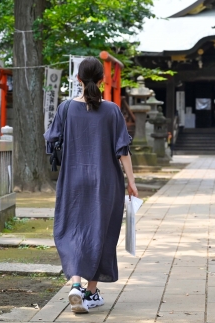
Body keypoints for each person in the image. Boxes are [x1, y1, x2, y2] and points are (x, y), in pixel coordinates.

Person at [44, 57, 138, 314]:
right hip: (105, 181)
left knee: (73, 229)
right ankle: (91, 291)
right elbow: (123, 150)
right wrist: (131, 181)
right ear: (102, 79)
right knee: (101, 232)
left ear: (78, 79)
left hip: (73, 179)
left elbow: (51, 140)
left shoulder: (65, 108)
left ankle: (76, 285)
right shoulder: (112, 110)